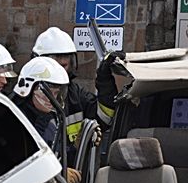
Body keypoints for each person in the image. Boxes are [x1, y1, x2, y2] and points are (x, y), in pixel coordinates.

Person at [31, 27, 122, 164]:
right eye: (55, 59)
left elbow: (104, 117)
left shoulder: (76, 95)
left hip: (76, 177)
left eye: (66, 59)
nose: (62, 63)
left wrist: (105, 80)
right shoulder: (25, 99)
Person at [11, 57, 81, 183]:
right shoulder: (14, 120)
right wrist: (57, 175)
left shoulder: (51, 119)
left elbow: (58, 153)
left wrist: (79, 145)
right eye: (46, 93)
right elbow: (18, 168)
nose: (52, 99)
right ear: (28, 89)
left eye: (55, 93)